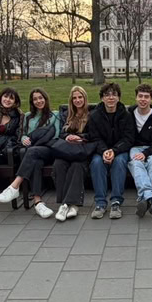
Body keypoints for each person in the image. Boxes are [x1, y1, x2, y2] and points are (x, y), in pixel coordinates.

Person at [0, 89, 62, 219]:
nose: (38, 101)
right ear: (32, 102)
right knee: (35, 162)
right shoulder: (27, 116)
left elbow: (57, 135)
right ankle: (38, 202)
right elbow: (23, 134)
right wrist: (24, 138)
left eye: (41, 98)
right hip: (33, 153)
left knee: (32, 151)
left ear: (45, 99)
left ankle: (14, 186)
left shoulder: (55, 115)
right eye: (35, 99)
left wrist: (38, 141)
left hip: (49, 150)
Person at [87, 82, 134, 219]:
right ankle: (100, 203)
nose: (111, 97)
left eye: (114, 94)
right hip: (100, 150)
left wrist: (114, 151)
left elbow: (128, 138)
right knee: (96, 163)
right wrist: (104, 151)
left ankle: (116, 202)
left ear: (119, 97)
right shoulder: (94, 115)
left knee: (119, 162)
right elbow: (94, 138)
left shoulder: (126, 115)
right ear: (102, 98)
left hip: (120, 150)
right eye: (107, 95)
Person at [49, 86, 93, 222]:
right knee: (58, 164)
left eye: (80, 97)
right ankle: (69, 205)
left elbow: (94, 134)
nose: (77, 100)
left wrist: (80, 137)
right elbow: (61, 133)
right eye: (74, 98)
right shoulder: (66, 114)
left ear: (85, 98)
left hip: (81, 150)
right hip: (66, 150)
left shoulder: (92, 114)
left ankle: (68, 204)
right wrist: (68, 136)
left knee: (77, 166)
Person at [127, 84, 152, 218]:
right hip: (135, 148)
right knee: (136, 163)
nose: (143, 99)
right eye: (140, 96)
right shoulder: (129, 114)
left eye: (146, 97)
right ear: (136, 98)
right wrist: (140, 154)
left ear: (151, 99)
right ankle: (151, 198)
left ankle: (144, 199)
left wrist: (145, 153)